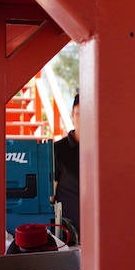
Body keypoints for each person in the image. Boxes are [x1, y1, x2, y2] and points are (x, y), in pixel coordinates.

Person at [52, 93, 81, 245]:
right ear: (72, 115)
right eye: (78, 114)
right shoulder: (58, 150)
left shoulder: (104, 149)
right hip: (69, 237)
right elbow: (50, 196)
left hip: (102, 231)